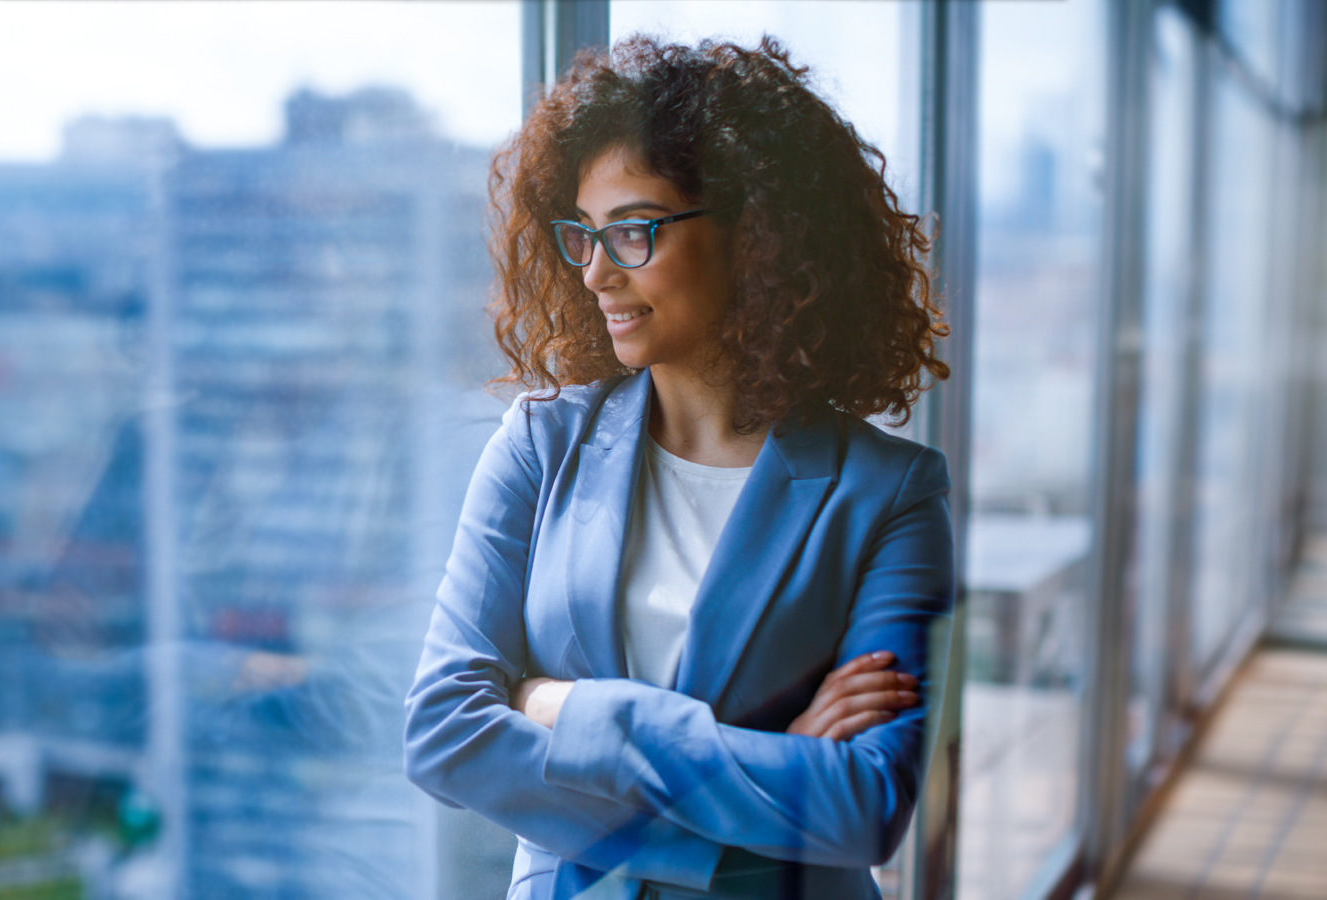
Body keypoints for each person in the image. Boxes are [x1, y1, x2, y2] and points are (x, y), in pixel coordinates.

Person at [404, 35, 954, 900]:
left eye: (632, 231)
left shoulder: (889, 494)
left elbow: (865, 805)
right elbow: (443, 733)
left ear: (757, 234)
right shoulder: (540, 445)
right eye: (582, 235)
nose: (594, 274)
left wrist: (564, 708)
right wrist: (771, 780)